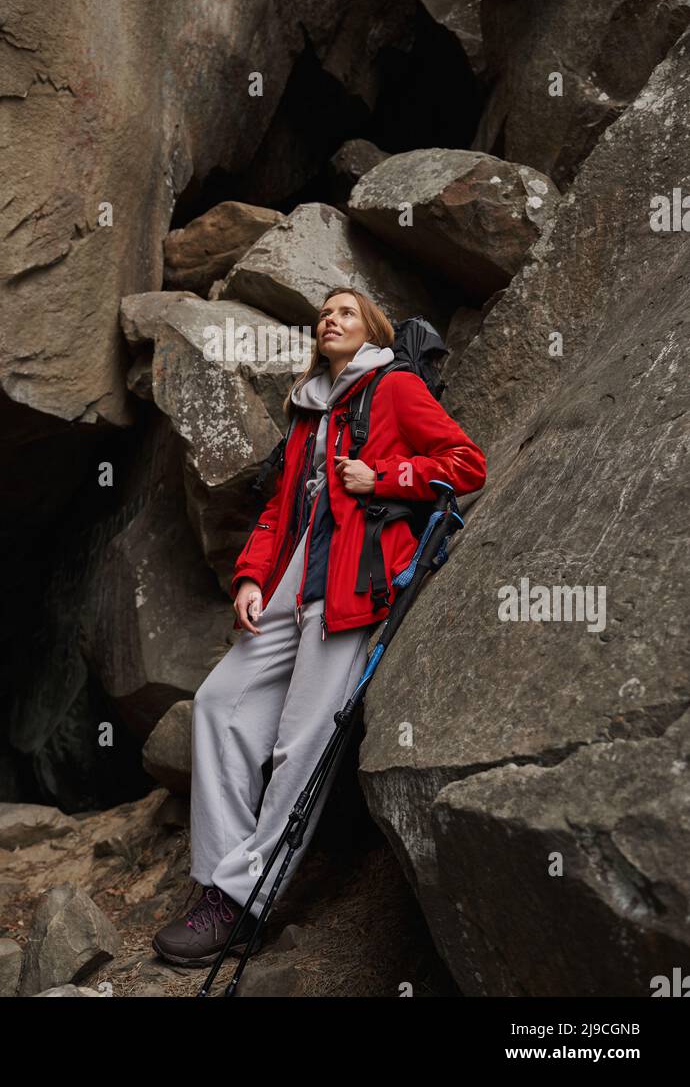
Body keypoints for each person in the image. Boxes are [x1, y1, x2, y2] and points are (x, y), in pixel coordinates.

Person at [152, 286, 487, 966]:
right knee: (219, 704)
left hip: (352, 584)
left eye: (345, 311)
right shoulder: (308, 410)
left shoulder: (393, 387)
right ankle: (218, 880)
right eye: (323, 312)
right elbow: (281, 509)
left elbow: (465, 463)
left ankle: (244, 901)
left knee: (300, 742)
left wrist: (384, 475)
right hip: (291, 584)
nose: (328, 318)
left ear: (371, 330)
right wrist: (249, 575)